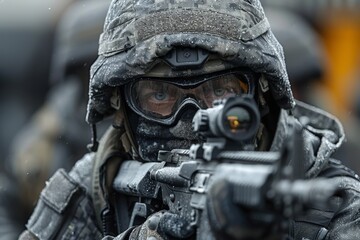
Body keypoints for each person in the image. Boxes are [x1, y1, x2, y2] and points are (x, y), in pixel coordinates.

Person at [19, 0, 360, 239]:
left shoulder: (333, 205)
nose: (191, 120)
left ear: (261, 96)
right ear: (122, 107)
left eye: (222, 91)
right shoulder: (98, 184)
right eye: (161, 95)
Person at [0, 1, 110, 239]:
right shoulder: (44, 141)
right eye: (89, 70)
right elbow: (6, 207)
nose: (102, 84)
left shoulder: (153, 128)